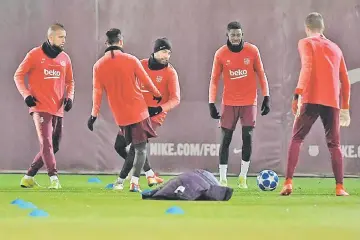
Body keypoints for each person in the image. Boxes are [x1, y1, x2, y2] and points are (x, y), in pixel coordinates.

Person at [280, 12, 351, 196]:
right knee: (334, 144)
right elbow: (345, 79)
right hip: (332, 101)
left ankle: (288, 183)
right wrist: (345, 108)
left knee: (297, 138)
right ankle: (340, 187)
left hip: (311, 98)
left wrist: (297, 93)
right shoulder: (336, 48)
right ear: (323, 28)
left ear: (307, 28)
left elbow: (308, 67)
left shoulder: (305, 43)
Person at [87, 28, 162, 192]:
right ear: (121, 42)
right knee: (140, 148)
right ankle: (134, 182)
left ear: (106, 43)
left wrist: (94, 115)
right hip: (138, 111)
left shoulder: (98, 66)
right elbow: (146, 81)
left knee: (132, 148)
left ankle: (132, 178)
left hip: (121, 116)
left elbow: (97, 92)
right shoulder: (131, 60)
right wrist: (157, 94)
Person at [208, 21, 270, 188]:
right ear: (227, 35)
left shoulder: (252, 51)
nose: (235, 37)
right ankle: (222, 178)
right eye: (232, 34)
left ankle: (243, 177)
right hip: (229, 103)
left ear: (242, 35)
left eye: (238, 34)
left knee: (247, 137)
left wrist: (267, 96)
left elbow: (261, 74)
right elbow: (214, 80)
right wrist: (211, 103)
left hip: (249, 102)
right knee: (225, 139)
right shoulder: (220, 54)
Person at [114, 37, 180, 190]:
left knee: (135, 147)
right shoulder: (141, 65)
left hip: (154, 116)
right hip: (134, 113)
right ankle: (149, 173)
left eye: (169, 53)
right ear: (155, 51)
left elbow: (176, 99)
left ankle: (121, 180)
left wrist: (159, 109)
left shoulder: (170, 72)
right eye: (164, 52)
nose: (167, 56)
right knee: (119, 145)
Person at [14, 23, 75, 189]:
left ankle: (29, 176)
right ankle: (53, 178)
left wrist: (69, 97)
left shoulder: (65, 58)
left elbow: (70, 81)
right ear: (51, 37)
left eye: (65, 37)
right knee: (46, 142)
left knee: (54, 146)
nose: (64, 40)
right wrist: (26, 95)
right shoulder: (34, 54)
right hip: (40, 107)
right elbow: (18, 76)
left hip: (58, 108)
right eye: (61, 37)